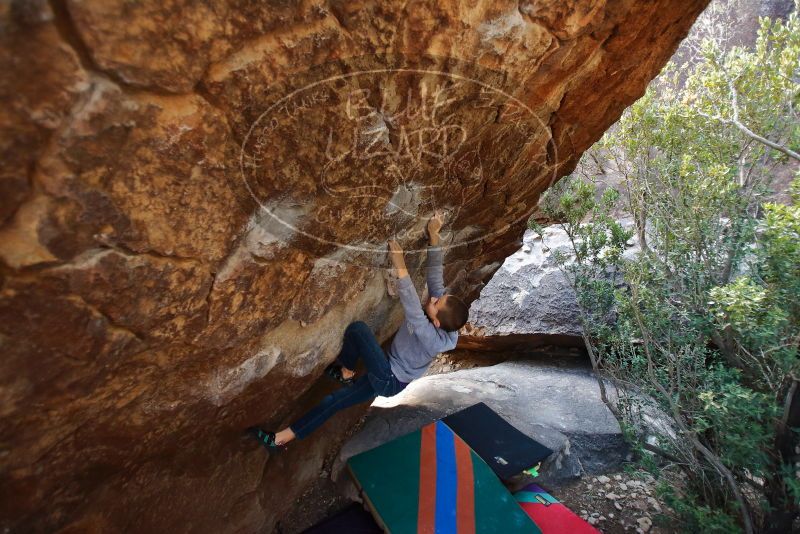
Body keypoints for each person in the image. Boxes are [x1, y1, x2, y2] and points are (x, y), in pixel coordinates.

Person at [248, 210, 470, 449]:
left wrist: (399, 264)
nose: (435, 299)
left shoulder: (433, 339)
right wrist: (434, 235)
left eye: (436, 303)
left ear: (436, 323)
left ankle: (343, 373)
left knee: (359, 330)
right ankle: (283, 437)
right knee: (335, 401)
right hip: (390, 372)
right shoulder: (445, 318)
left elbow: (414, 312)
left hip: (389, 378)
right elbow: (436, 280)